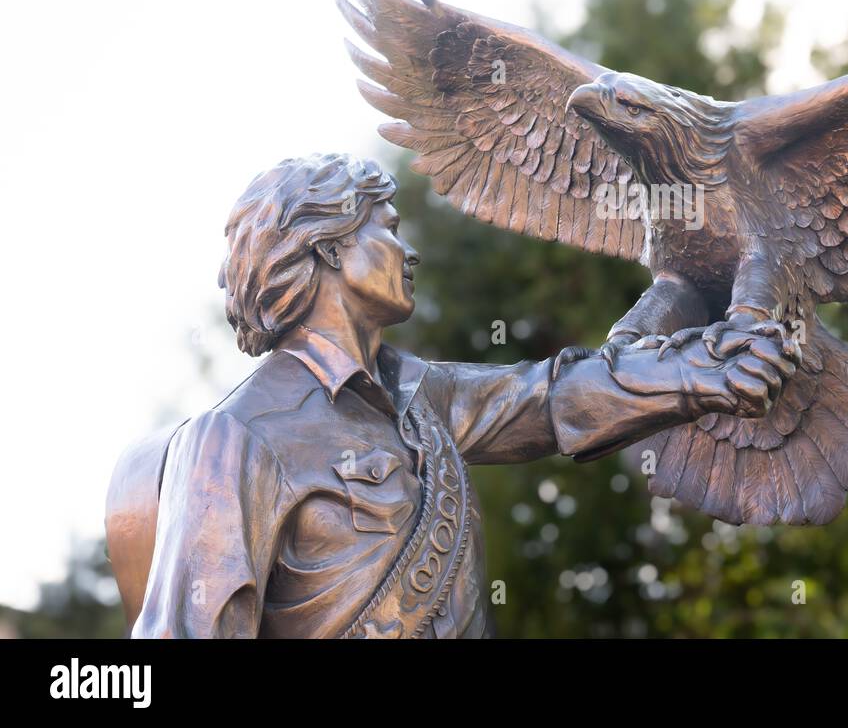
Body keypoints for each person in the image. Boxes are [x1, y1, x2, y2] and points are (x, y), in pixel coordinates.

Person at [105, 154, 800, 638]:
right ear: (325, 250)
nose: (408, 253)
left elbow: (555, 398)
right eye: (387, 227)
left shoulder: (420, 392)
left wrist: (701, 374)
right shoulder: (239, 437)